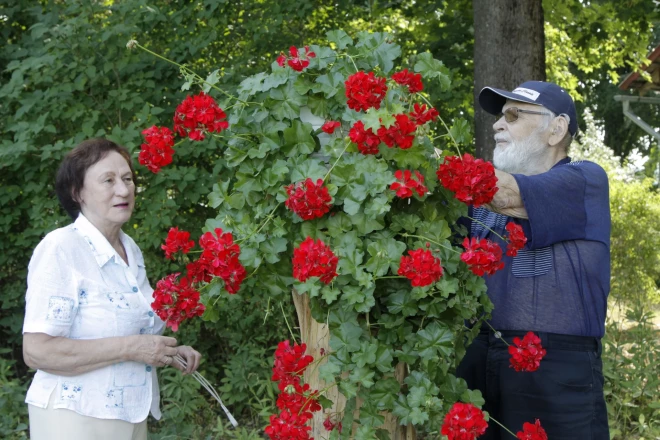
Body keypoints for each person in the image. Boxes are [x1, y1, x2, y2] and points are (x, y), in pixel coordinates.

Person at [456, 81, 610, 439]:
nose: (497, 125)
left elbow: (508, 196)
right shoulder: (478, 202)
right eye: (498, 116)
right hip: (477, 354)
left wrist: (437, 164)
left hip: (555, 370)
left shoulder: (584, 179)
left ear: (555, 130)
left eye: (512, 114)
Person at [22, 139, 202, 440]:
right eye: (108, 180)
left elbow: (128, 332)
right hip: (75, 419)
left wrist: (167, 351)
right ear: (77, 193)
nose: (124, 189)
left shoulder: (129, 248)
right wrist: (133, 348)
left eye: (128, 179)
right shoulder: (61, 248)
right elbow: (37, 351)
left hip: (129, 417)